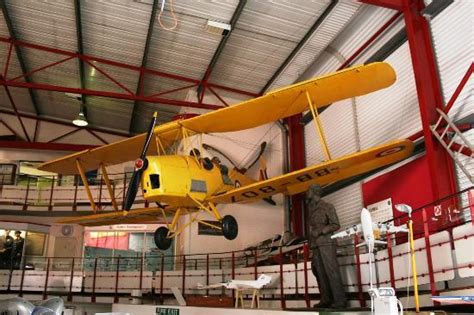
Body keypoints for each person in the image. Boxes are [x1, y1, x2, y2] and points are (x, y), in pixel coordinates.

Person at [306, 184, 347, 309]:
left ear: (314, 192)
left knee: (331, 271)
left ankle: (340, 300)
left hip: (327, 243)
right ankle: (326, 299)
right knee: (319, 272)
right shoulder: (311, 209)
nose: (307, 193)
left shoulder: (327, 207)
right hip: (315, 245)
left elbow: (336, 224)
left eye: (308, 190)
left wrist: (321, 231)